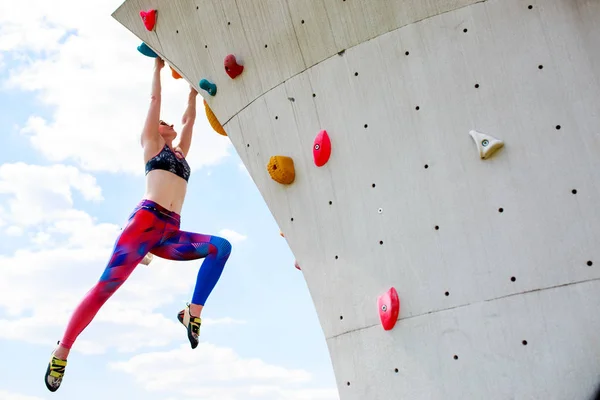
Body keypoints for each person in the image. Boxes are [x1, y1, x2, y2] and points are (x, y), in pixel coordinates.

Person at [44, 57, 232, 392]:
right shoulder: (150, 143)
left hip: (169, 232)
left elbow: (189, 122)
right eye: (163, 122)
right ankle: (62, 350)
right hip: (144, 226)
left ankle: (192, 312)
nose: (167, 122)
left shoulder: (180, 155)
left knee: (221, 247)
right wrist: (157, 68)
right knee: (104, 288)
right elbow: (154, 101)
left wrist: (192, 93)